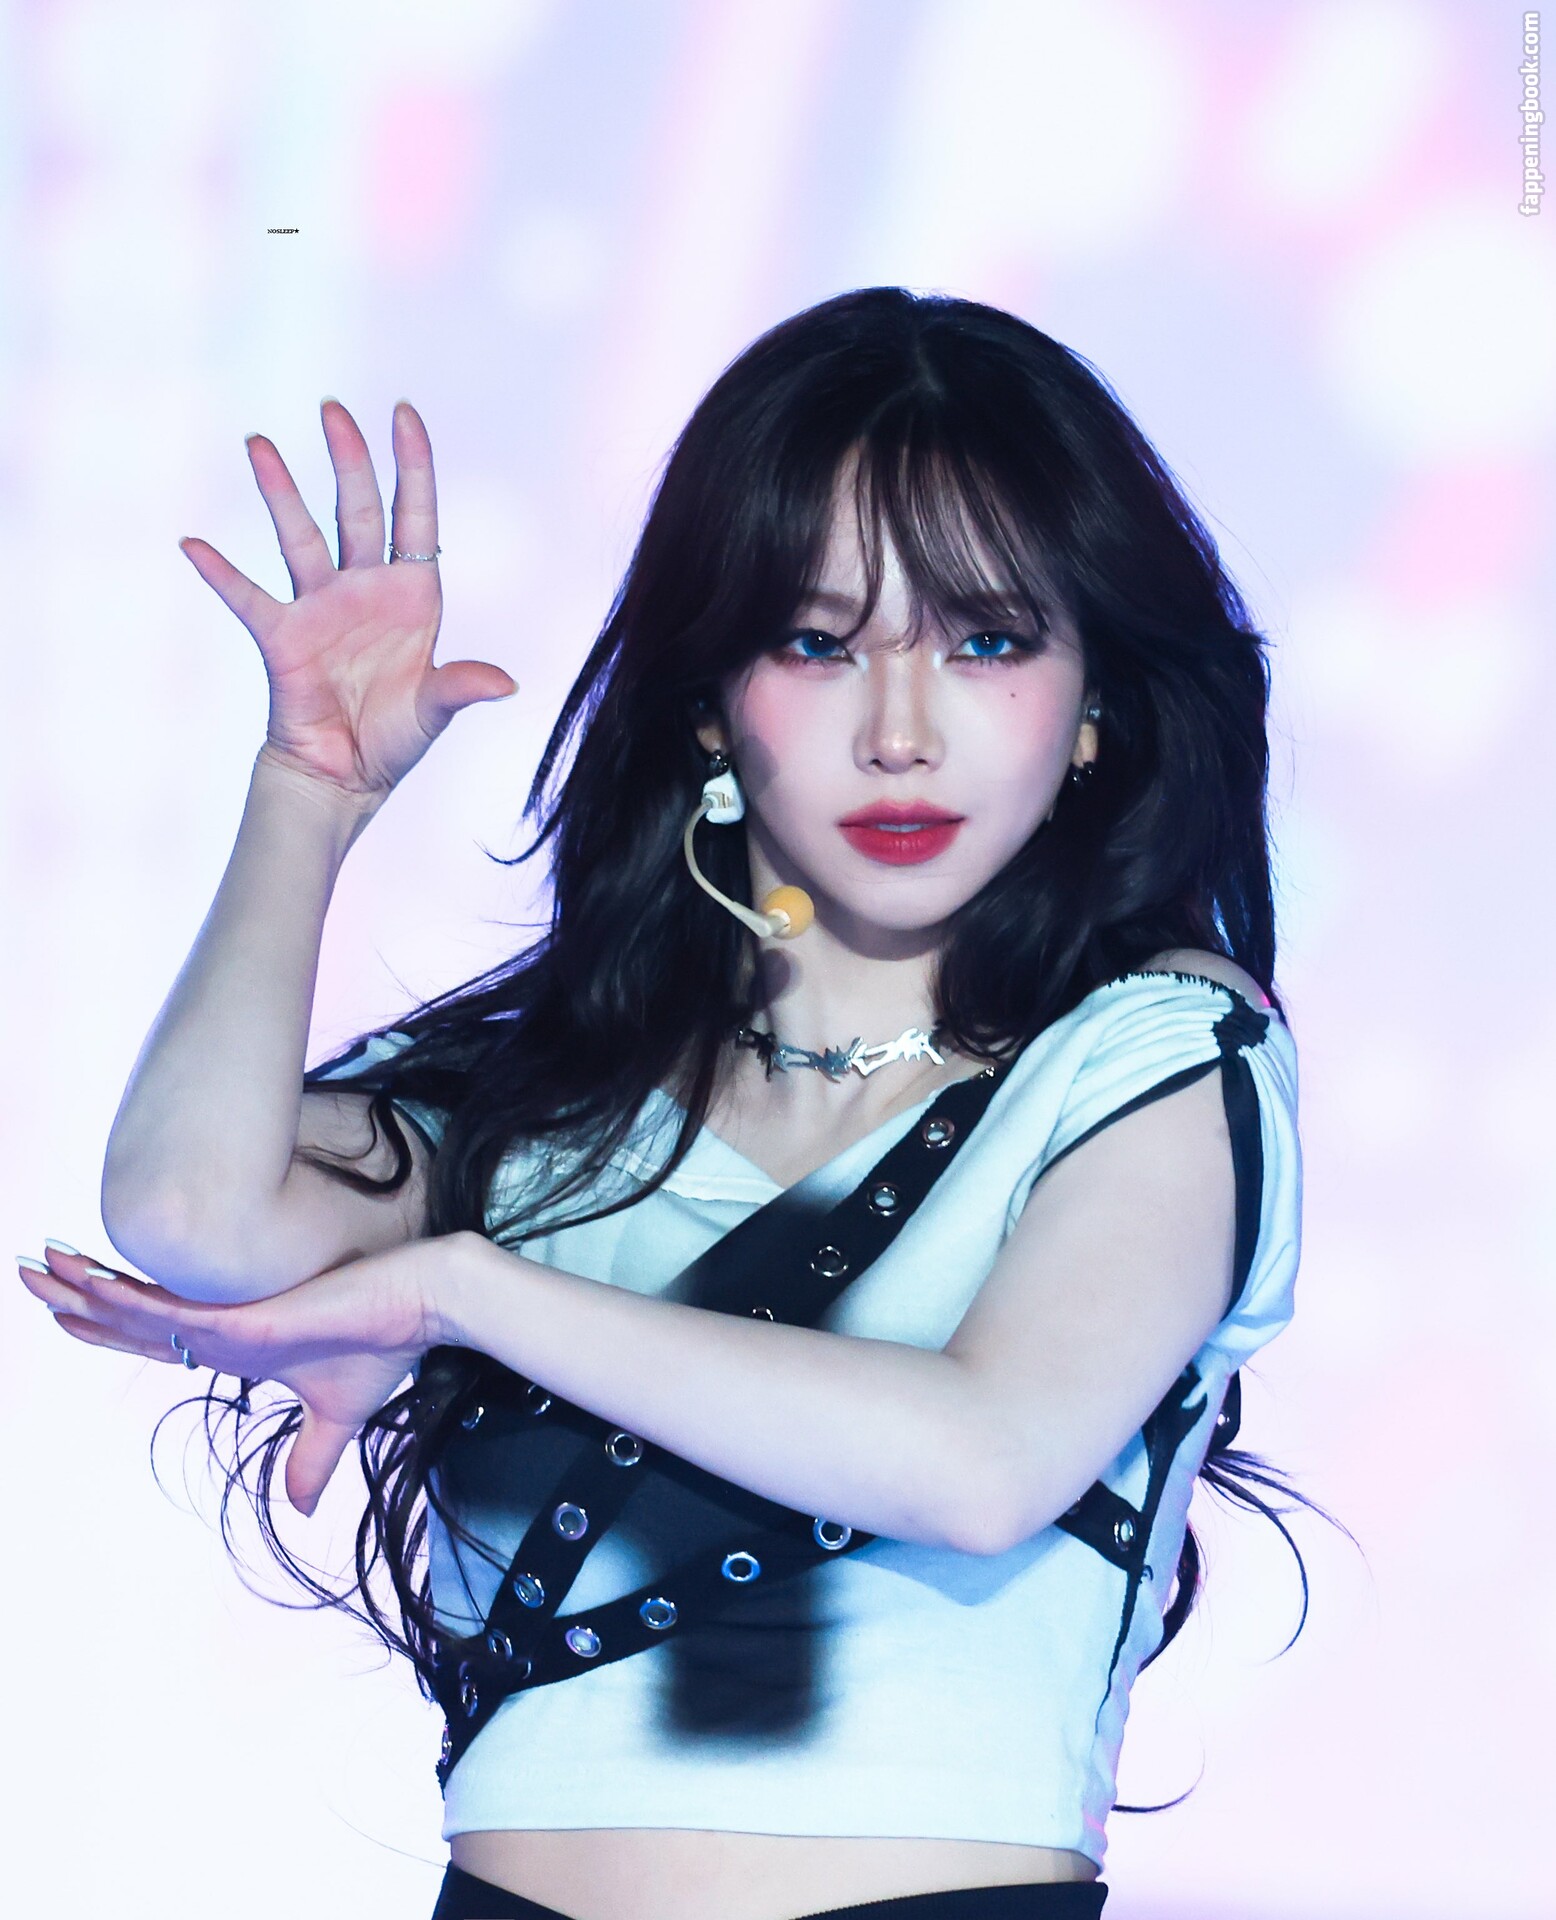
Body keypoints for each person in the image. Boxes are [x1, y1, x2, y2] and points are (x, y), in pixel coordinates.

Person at [18, 288, 1315, 1920]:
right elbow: (190, 1211)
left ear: (1092, 706)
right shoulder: (553, 1108)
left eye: (987, 641)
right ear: (710, 697)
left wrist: (457, 1291)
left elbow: (985, 1461)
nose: (900, 733)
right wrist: (309, 794)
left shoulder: (1154, 1057)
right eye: (817, 644)